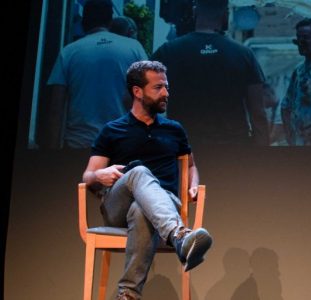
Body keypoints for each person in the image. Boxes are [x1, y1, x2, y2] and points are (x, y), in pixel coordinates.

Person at [82, 61, 213, 300]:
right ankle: (180, 237)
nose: (166, 93)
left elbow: (191, 166)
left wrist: (193, 185)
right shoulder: (113, 130)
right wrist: (99, 175)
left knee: (142, 211)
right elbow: (88, 177)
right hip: (117, 208)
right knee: (139, 172)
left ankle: (128, 295)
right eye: (158, 87)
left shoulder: (174, 129)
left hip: (164, 204)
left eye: (167, 87)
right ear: (137, 91)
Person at [151, 0, 268, 146]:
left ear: (195, 12)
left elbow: (134, 99)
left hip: (184, 147)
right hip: (233, 149)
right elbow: (258, 112)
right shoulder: (243, 54)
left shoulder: (168, 51)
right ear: (225, 14)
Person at [41, 0, 148, 149]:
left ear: (84, 21)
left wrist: (51, 155)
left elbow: (55, 110)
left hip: (78, 146)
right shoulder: (134, 48)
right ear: (110, 21)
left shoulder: (69, 52)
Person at [281, 18, 311, 146]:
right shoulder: (298, 71)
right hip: (300, 142)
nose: (301, 42)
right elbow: (286, 106)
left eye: (306, 37)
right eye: (298, 37)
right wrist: (290, 136)